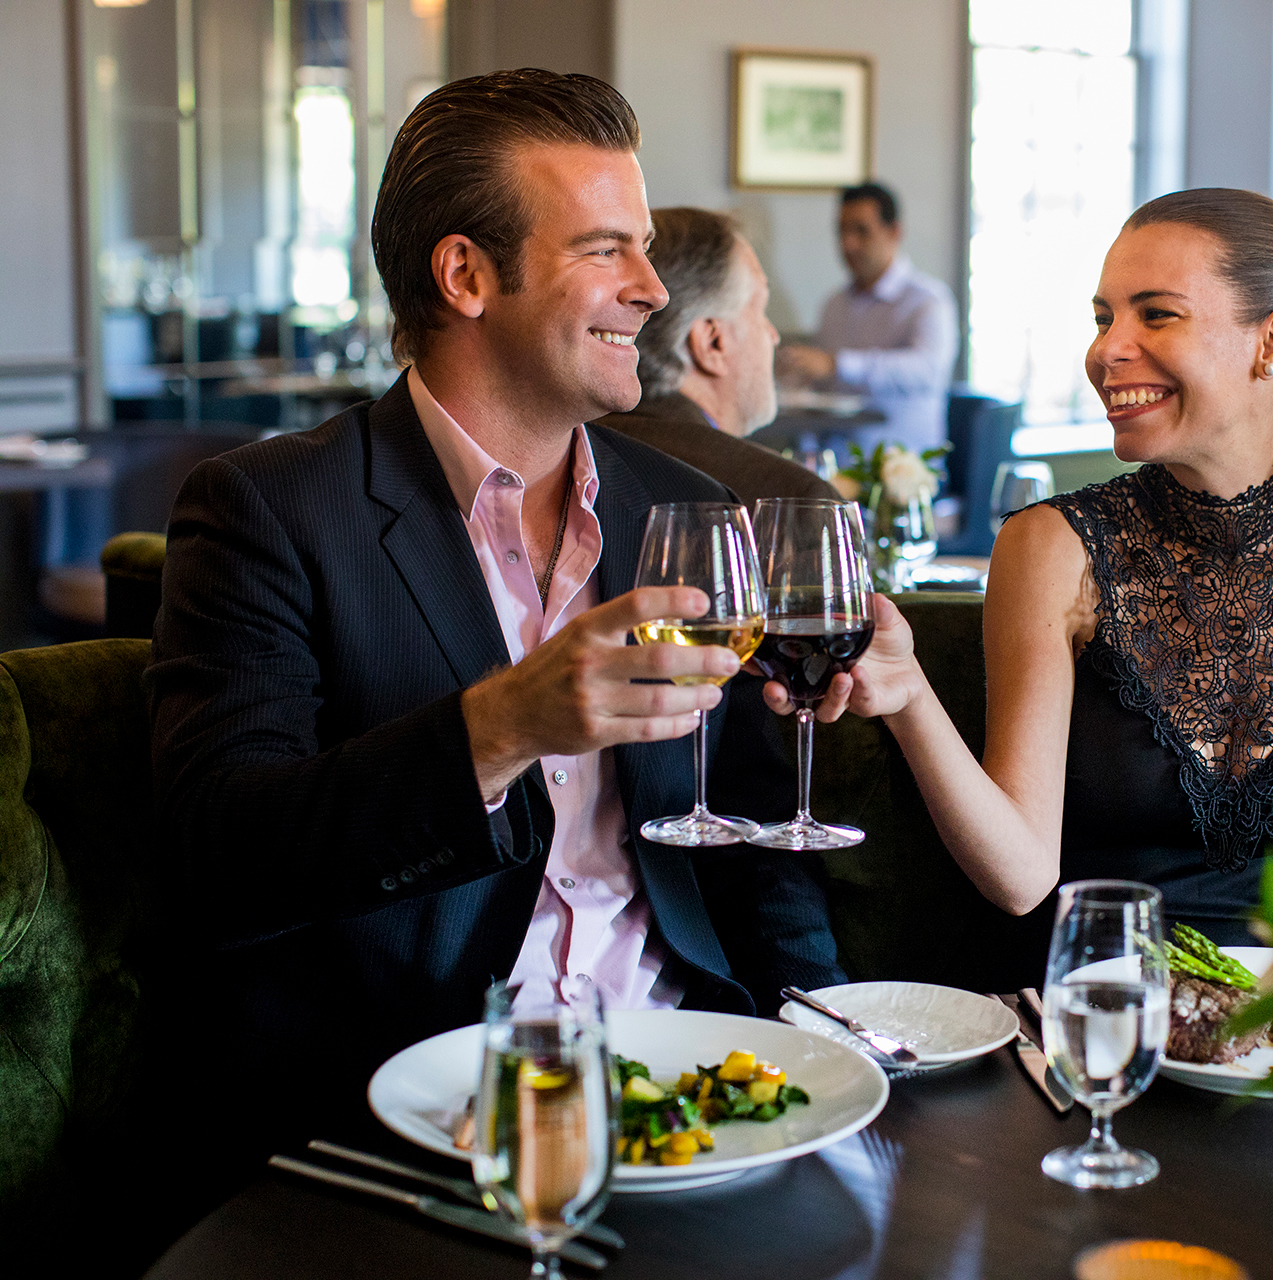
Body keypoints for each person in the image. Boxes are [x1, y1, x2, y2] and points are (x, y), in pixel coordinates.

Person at [145, 71, 844, 1143]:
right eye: (606, 248)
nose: (653, 288)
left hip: (686, 1079)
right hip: (421, 1104)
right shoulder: (267, 510)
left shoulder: (688, 511)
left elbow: (749, 849)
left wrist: (824, 1046)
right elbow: (218, 855)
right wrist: (500, 726)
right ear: (466, 273)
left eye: (647, 246)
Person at [793, 188, 1273, 942]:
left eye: (1156, 314)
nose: (1106, 350)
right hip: (1100, 1011)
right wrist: (910, 698)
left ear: (1272, 345)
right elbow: (1020, 879)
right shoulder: (1054, 546)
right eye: (1105, 317)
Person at [597, 206, 841, 504]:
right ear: (712, 343)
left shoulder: (576, 456)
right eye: (760, 310)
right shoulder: (792, 499)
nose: (773, 336)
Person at [777, 182, 959, 452]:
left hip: (900, 470)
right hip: (833, 466)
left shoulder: (928, 300)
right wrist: (800, 376)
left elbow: (928, 371)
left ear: (894, 232)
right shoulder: (834, 304)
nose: (847, 244)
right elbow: (826, 386)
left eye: (861, 231)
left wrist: (837, 364)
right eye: (841, 231)